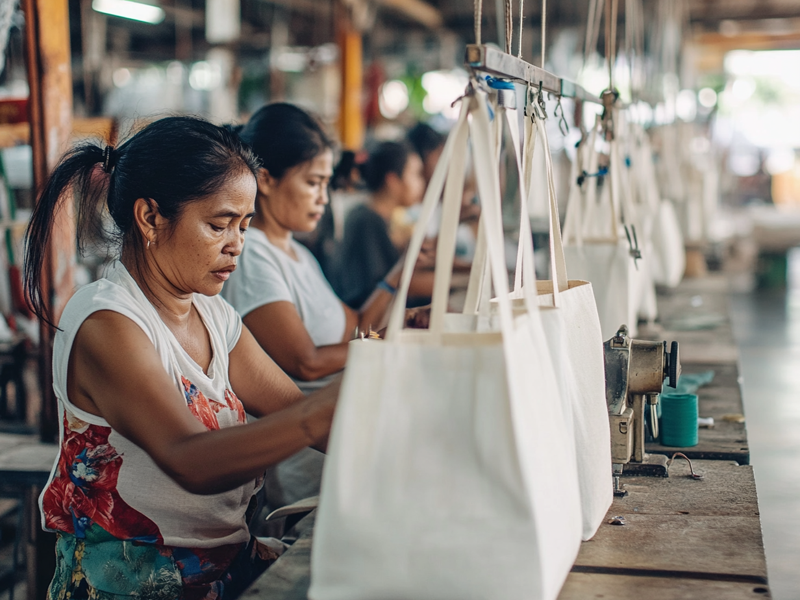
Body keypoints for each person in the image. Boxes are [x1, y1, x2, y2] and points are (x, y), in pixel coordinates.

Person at [26, 116, 339, 599]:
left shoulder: (216, 317)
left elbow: (297, 410)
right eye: (219, 224)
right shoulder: (105, 322)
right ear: (150, 217)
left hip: (224, 570)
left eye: (244, 225)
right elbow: (190, 458)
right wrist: (319, 413)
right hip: (128, 586)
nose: (236, 244)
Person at [221, 104, 429, 513]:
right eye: (313, 182)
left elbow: (356, 327)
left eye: (326, 184)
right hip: (308, 460)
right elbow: (307, 362)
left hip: (340, 433)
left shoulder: (298, 253)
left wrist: (397, 283)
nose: (323, 197)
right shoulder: (254, 257)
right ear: (266, 179)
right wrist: (386, 341)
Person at [331, 140, 435, 309]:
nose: (421, 183)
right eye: (415, 174)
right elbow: (379, 288)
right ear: (392, 180)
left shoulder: (383, 218)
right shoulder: (367, 220)